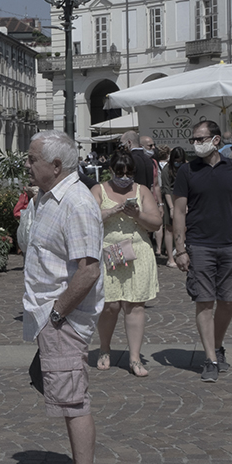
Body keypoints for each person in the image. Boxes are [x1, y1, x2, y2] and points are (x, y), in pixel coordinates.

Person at [23, 130, 104, 464]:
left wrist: (57, 314)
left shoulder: (75, 201)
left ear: (56, 166)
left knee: (73, 402)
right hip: (50, 316)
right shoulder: (48, 198)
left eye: (33, 158)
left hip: (64, 318)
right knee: (47, 381)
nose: (27, 163)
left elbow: (88, 270)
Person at [172, 120, 232, 383]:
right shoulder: (187, 171)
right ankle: (210, 358)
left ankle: (217, 345)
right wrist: (180, 249)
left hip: (230, 245)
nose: (196, 144)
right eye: (193, 139)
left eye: (200, 139)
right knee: (204, 301)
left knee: (227, 301)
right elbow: (179, 211)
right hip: (199, 245)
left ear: (216, 140)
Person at [91, 150, 161, 378]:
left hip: (137, 252)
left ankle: (134, 357)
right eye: (119, 173)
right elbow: (87, 218)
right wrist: (110, 211)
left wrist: (138, 215)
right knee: (109, 306)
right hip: (109, 251)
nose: (124, 177)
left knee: (135, 305)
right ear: (111, 171)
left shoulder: (142, 190)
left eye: (129, 173)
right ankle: (104, 349)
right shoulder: (99, 190)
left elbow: (156, 223)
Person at [160, 146, 186, 268]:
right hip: (170, 198)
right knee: (169, 228)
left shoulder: (186, 167)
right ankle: (170, 257)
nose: (178, 163)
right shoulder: (166, 169)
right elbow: (165, 189)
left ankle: (181, 252)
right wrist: (171, 207)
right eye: (176, 160)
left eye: (180, 160)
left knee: (184, 227)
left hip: (184, 198)